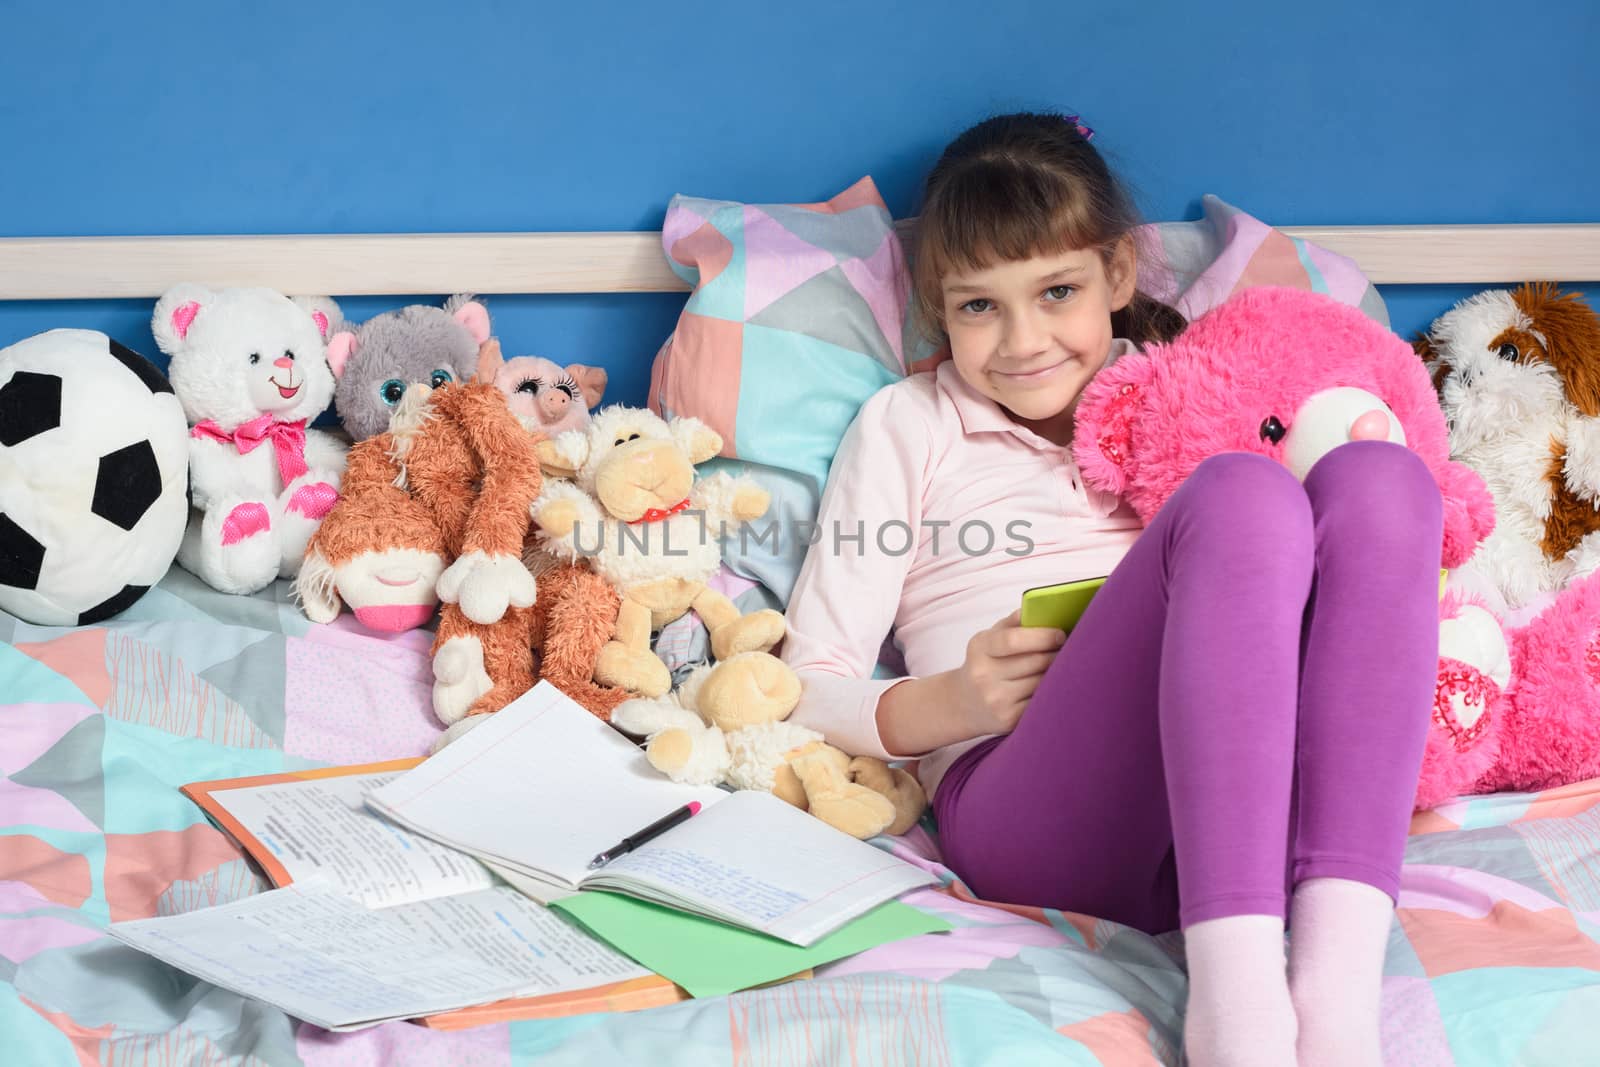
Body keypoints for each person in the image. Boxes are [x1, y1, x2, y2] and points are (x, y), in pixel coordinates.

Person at [779, 111, 1439, 1067]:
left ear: (1118, 276)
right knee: (1243, 492)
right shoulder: (907, 426)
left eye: (1057, 292)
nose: (1022, 340)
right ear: (938, 310)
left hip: (1239, 802)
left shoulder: (1189, 395)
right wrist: (951, 700)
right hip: (1026, 806)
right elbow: (805, 680)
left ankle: (1336, 1002)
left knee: (1383, 477)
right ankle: (1239, 1017)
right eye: (978, 307)